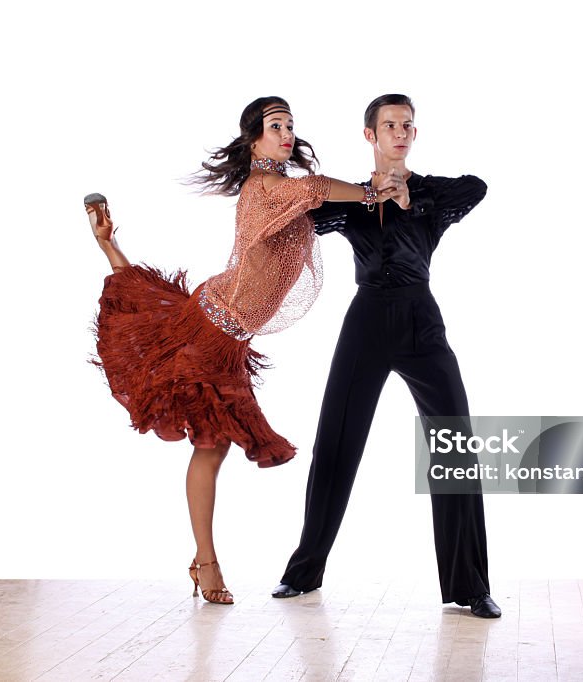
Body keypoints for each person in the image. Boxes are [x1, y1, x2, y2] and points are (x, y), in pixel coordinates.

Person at [86, 96, 400, 606]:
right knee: (209, 446)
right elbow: (316, 188)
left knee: (212, 448)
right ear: (254, 138)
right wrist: (369, 190)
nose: (287, 134)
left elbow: (315, 196)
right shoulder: (265, 188)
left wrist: (377, 195)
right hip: (210, 329)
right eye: (276, 126)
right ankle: (205, 561)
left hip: (226, 337)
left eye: (291, 126)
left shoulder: (283, 191)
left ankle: (203, 560)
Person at [272, 94, 501, 618]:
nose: (401, 132)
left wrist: (407, 201)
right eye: (390, 125)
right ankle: (304, 572)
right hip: (368, 319)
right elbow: (303, 206)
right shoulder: (352, 199)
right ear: (370, 136)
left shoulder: (433, 195)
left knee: (454, 446)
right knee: (336, 441)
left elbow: (478, 188)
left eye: (408, 125)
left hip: (422, 320)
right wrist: (368, 194)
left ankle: (470, 585)